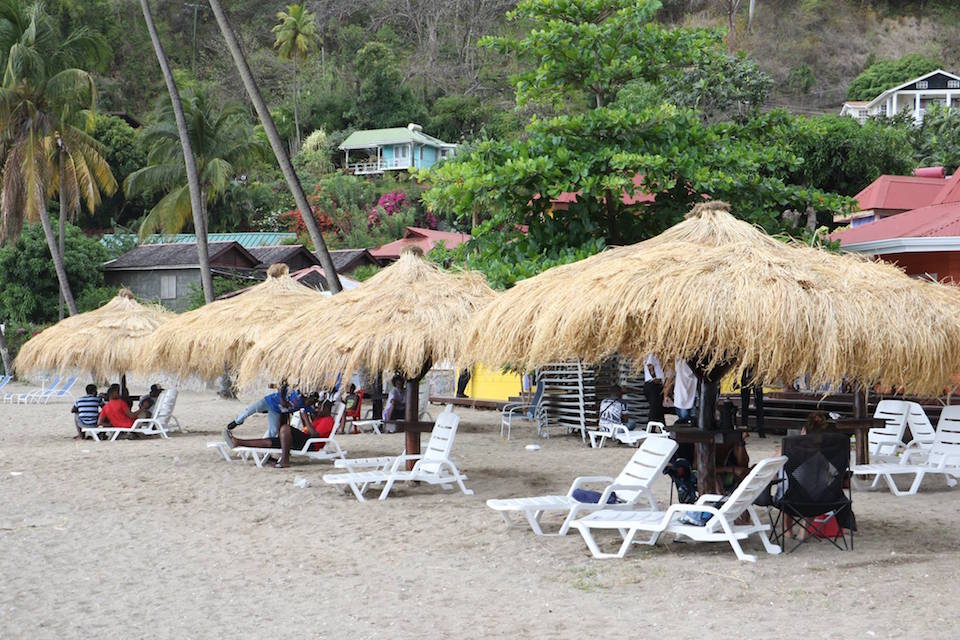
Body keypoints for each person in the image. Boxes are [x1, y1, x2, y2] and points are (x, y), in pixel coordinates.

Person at [225, 400, 336, 468]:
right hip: (304, 440)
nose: (318, 408)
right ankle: (238, 442)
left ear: (327, 409)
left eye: (321, 406)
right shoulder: (320, 418)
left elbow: (315, 436)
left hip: (311, 444)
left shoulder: (328, 420)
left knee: (285, 428)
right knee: (270, 441)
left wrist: (306, 418)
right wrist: (306, 418)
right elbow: (307, 429)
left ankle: (285, 460)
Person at [226, 383, 319, 438]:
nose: (311, 404)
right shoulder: (297, 393)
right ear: (308, 397)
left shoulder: (306, 406)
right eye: (312, 401)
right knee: (250, 410)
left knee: (273, 430)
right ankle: (237, 421)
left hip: (276, 411)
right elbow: (284, 386)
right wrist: (283, 399)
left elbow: (314, 414)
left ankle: (264, 447)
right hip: (269, 401)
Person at [667, 358, 697, 424]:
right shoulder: (694, 363)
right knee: (689, 419)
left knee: (683, 419)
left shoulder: (679, 361)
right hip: (689, 394)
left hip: (681, 394)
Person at [740, 368, 765, 438]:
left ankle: (760, 429)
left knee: (758, 404)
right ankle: (745, 429)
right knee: (746, 404)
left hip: (756, 375)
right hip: (748, 374)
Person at [643, 354, 665, 424]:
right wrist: (654, 377)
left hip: (656, 384)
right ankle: (651, 428)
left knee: (658, 408)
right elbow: (650, 365)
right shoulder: (652, 354)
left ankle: (661, 427)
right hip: (653, 383)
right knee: (654, 408)